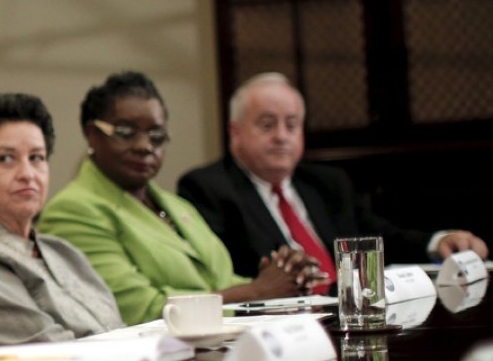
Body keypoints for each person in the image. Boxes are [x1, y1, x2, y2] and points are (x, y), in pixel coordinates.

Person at [38, 72, 321, 325]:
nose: (144, 146)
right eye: (126, 132)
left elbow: (220, 282)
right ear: (92, 134)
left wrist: (283, 279)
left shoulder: (175, 205)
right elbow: (138, 309)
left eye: (156, 135)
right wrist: (257, 291)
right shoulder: (72, 210)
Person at [178, 72, 488, 284]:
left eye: (292, 124)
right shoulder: (208, 188)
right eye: (267, 124)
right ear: (235, 133)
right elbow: (232, 273)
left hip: (354, 314)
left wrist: (438, 242)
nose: (281, 137)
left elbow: (379, 239)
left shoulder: (327, 184)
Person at [0, 92, 123, 348]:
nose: (27, 174)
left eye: (36, 157)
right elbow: (50, 353)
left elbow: (121, 330)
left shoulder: (66, 252)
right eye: (6, 158)